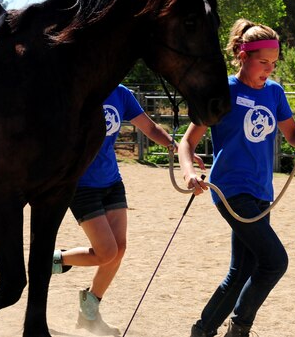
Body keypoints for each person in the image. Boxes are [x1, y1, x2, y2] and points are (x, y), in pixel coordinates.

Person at [179, 19, 295, 337]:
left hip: (261, 192)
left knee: (242, 270)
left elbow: (292, 134)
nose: (269, 69)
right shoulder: (223, 92)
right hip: (231, 189)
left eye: (273, 63)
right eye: (263, 62)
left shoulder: (275, 93)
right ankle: (240, 328)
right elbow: (187, 142)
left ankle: (203, 330)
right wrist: (190, 173)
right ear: (243, 56)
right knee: (274, 262)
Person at [52, 84, 205, 329]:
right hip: (81, 184)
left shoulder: (121, 93)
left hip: (112, 181)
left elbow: (150, 127)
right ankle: (49, 262)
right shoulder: (79, 86)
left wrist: (175, 148)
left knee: (119, 249)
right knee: (106, 252)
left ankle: (89, 313)